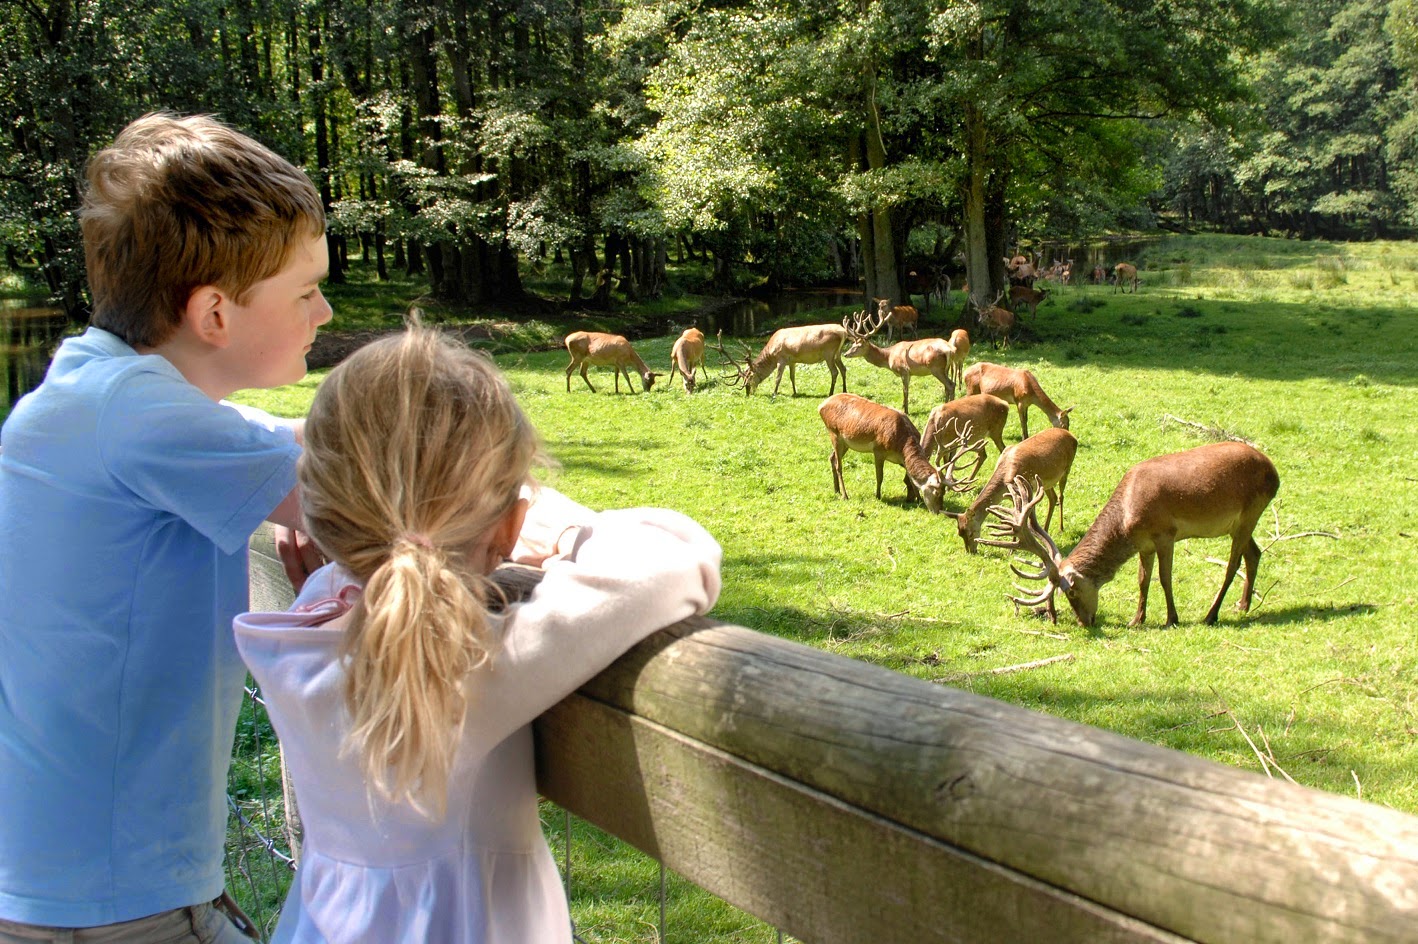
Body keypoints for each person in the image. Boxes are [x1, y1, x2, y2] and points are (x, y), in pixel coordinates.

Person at [233, 327, 722, 943]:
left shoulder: (303, 628)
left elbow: (375, 564)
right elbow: (679, 553)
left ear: (320, 514)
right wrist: (560, 527)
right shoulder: (468, 667)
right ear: (510, 525)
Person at [0, 113, 331, 942]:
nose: (324, 310)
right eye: (306, 290)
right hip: (113, 902)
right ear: (214, 314)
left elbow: (282, 445)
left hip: (73, 876)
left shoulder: (96, 388)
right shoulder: (139, 414)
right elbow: (375, 494)